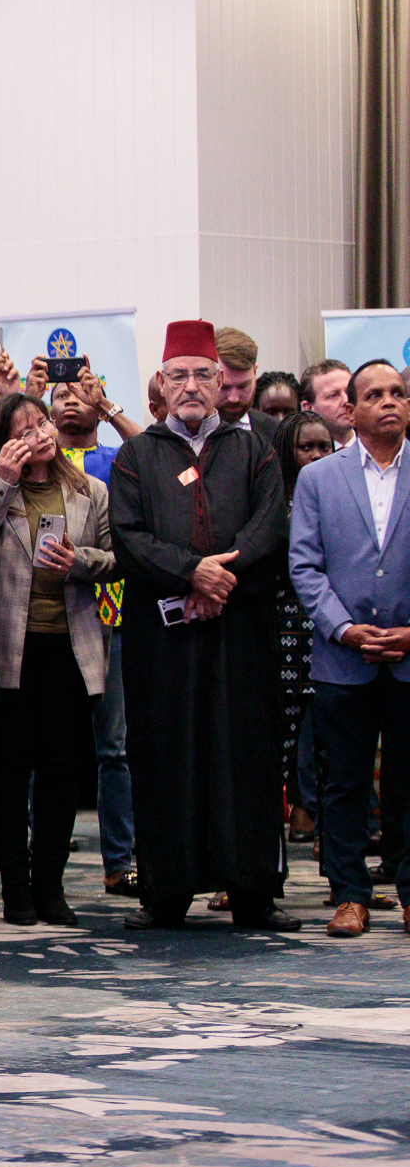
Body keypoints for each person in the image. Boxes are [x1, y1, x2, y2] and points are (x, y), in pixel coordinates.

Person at [112, 320, 297, 931]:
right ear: (160, 384)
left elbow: (270, 528)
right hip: (163, 639)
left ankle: (253, 893)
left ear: (221, 382)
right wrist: (192, 572)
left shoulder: (254, 450)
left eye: (201, 375)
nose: (190, 386)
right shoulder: (137, 457)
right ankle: (165, 894)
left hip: (241, 631)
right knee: (165, 754)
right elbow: (130, 539)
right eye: (178, 375)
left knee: (246, 752)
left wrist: (220, 581)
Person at [0, 393, 117, 925]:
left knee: (60, 771)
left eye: (43, 423)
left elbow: (116, 558)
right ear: (2, 442)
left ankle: (50, 883)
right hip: (6, 647)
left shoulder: (89, 490)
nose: (41, 434)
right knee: (8, 771)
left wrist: (80, 561)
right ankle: (15, 886)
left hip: (70, 645)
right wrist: (3, 481)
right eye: (24, 429)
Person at [289, 361, 410, 937]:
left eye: (397, 393)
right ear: (352, 410)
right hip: (343, 657)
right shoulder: (319, 479)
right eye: (374, 394)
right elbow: (304, 566)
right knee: (344, 783)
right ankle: (349, 895)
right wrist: (343, 629)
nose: (389, 402)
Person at [48, 377, 141, 897]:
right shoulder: (39, 464)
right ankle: (43, 855)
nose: (70, 401)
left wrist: (108, 405)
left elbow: (155, 452)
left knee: (116, 747)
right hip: (52, 619)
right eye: (59, 396)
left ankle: (120, 860)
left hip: (114, 615)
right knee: (47, 747)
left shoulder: (118, 459)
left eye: (80, 394)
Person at [277, 410, 335, 850]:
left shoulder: (341, 497)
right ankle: (297, 811)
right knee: (286, 736)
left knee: (329, 738)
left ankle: (330, 834)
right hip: (283, 632)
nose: (316, 455)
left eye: (323, 446)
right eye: (306, 447)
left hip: (331, 629)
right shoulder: (273, 503)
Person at [215, 327, 277, 445]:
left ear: (255, 372)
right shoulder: (186, 435)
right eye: (224, 387)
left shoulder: (276, 433)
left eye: (243, 387)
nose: (233, 398)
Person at [304, 359, 355, 448]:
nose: (346, 401)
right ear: (308, 408)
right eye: (333, 395)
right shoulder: (300, 453)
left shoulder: (376, 448)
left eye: (349, 392)